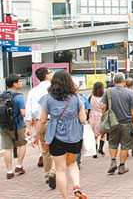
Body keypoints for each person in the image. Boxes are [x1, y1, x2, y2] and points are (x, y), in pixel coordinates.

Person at [34, 70, 87, 199]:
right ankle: (76, 186)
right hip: (74, 136)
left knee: (60, 169)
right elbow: (83, 120)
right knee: (72, 163)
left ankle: (65, 197)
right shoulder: (78, 99)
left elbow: (41, 120)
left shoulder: (47, 99)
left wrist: (35, 136)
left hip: (56, 137)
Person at [102, 73, 133, 175]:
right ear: (124, 81)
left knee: (112, 143)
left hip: (112, 123)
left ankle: (113, 161)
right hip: (126, 123)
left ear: (113, 81)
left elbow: (103, 107)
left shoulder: (108, 92)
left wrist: (104, 118)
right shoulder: (129, 93)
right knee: (125, 145)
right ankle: (122, 166)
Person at [25, 67, 56, 188]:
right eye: (50, 72)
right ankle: (54, 170)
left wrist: (28, 128)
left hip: (40, 124)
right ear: (47, 76)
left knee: (45, 151)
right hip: (53, 122)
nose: (52, 74)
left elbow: (29, 111)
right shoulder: (54, 89)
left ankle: (47, 175)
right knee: (57, 149)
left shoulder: (33, 91)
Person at [1, 74, 26, 179]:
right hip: (17, 125)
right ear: (14, 84)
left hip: (3, 126)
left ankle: (9, 171)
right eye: (19, 81)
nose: (21, 83)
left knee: (7, 148)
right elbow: (23, 113)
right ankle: (19, 165)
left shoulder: (1, 95)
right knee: (22, 144)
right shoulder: (19, 96)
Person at [88, 82, 106, 158]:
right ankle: (101, 149)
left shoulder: (90, 97)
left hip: (92, 116)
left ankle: (94, 151)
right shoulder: (103, 98)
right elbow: (104, 108)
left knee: (94, 135)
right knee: (103, 134)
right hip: (101, 116)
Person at [75, 83, 90, 168]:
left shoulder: (63, 98)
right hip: (78, 122)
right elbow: (86, 111)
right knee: (78, 141)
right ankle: (77, 160)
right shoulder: (82, 97)